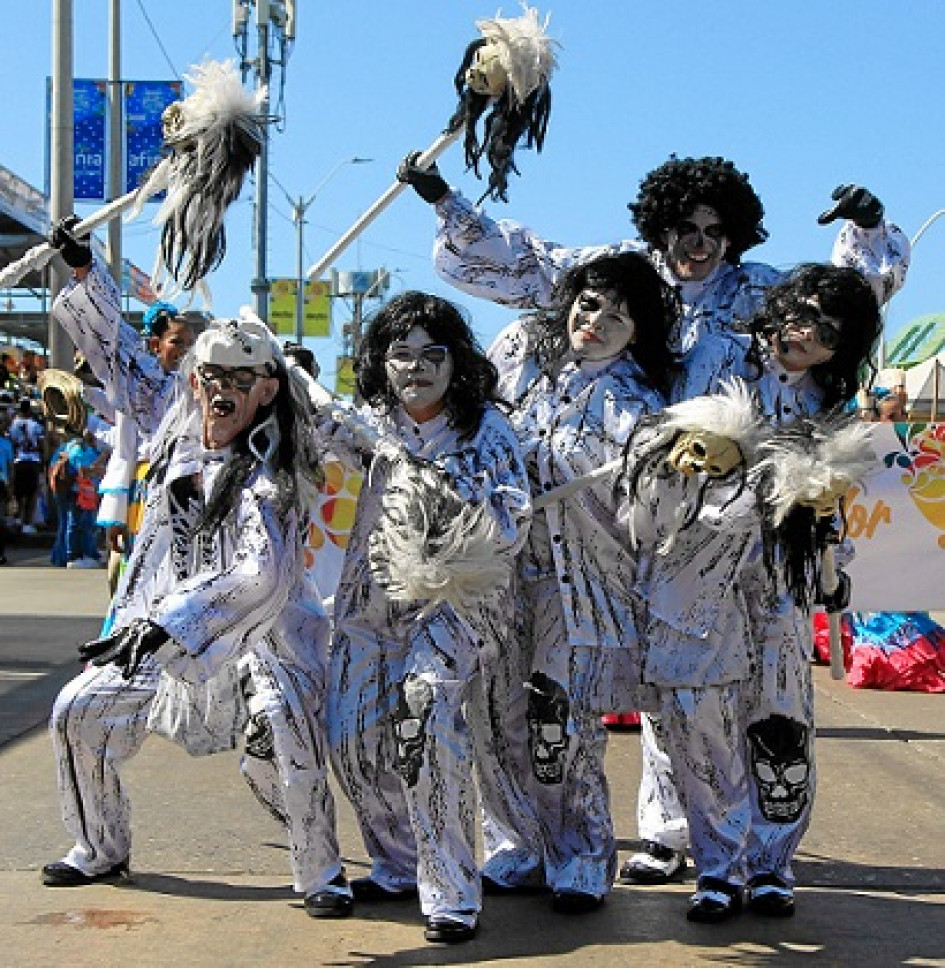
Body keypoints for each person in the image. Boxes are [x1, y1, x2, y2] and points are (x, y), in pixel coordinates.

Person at [397, 151, 910, 885]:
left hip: (753, 535)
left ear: (734, 235)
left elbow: (844, 304)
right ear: (657, 227)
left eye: (712, 230)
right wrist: (445, 199)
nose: (696, 244)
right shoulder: (624, 281)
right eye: (682, 228)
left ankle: (764, 858)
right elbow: (528, 262)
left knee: (769, 703)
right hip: (648, 533)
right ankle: (665, 833)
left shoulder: (759, 297)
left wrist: (867, 230)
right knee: (663, 690)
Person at [42, 217, 352, 919]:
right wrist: (85, 270)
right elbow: (120, 353)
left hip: (260, 639)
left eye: (241, 377)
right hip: (152, 627)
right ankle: (98, 845)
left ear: (266, 391)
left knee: (285, 737)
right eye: (211, 373)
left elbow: (260, 574)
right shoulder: (170, 418)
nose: (220, 388)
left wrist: (168, 626)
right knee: (77, 712)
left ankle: (321, 872)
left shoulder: (275, 472)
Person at [315, 291, 532, 944]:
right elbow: (302, 443)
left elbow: (513, 517)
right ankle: (398, 864)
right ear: (380, 364)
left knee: (427, 715)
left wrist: (452, 502)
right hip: (370, 605)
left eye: (431, 353)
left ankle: (450, 893)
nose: (416, 367)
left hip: (453, 605)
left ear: (455, 361)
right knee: (351, 733)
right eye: (401, 354)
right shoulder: (366, 424)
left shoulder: (485, 429)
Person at [485, 252, 678, 914]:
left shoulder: (639, 404)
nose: (595, 322)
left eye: (617, 316)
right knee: (498, 719)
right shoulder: (528, 374)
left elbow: (651, 506)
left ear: (638, 330)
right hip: (503, 579)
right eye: (589, 305)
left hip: (579, 588)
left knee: (559, 722)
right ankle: (520, 847)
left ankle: (583, 857)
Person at [95, 302, 196, 596]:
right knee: (142, 571)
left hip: (187, 488)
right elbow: (124, 450)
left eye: (190, 344)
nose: (184, 350)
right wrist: (116, 515)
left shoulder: (197, 389)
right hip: (147, 486)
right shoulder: (135, 390)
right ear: (155, 345)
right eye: (176, 342)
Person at [9, 396, 44, 534]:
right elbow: (41, 444)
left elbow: (11, 442)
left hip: (18, 460)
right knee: (31, 493)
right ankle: (27, 523)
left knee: (18, 492)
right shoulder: (36, 425)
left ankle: (18, 518)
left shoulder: (13, 424)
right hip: (33, 461)